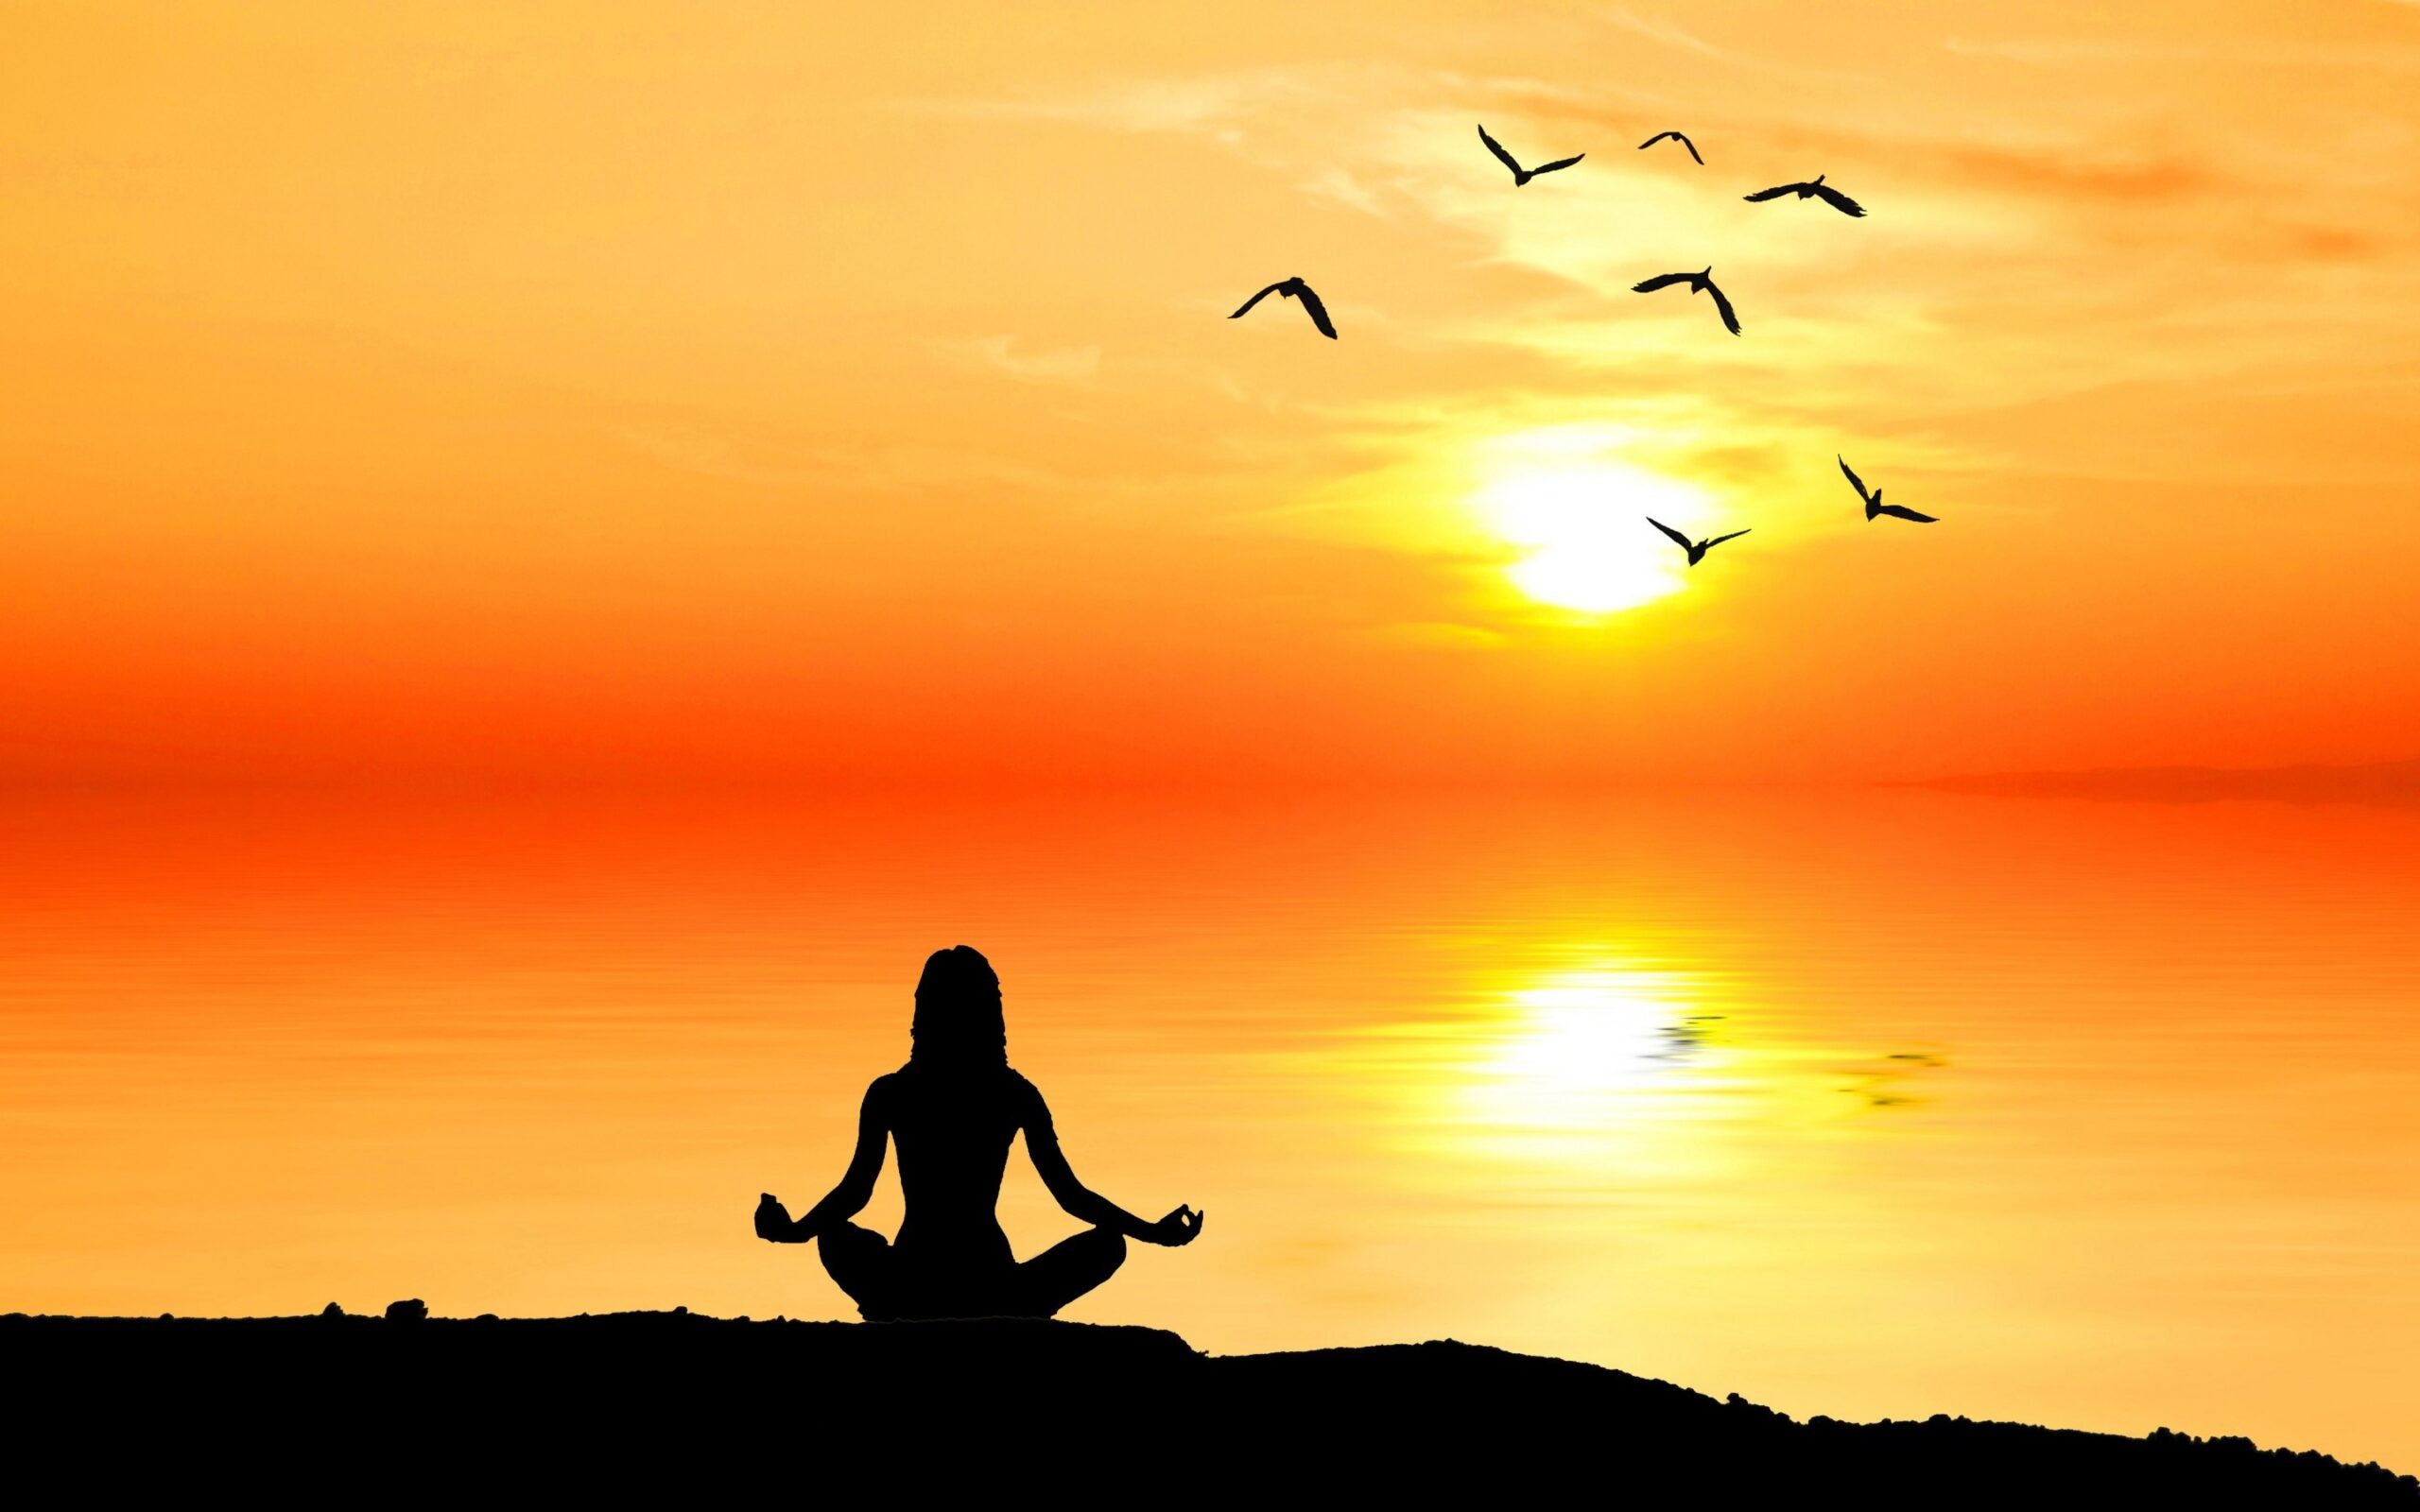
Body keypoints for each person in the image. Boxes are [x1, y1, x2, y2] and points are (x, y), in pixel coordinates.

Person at [754, 945, 1202, 1319]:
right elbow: (1071, 1196)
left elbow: (855, 1193)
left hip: (917, 1276)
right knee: (1108, 1244)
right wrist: (1149, 1232)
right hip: (992, 1281)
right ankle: (1004, 1314)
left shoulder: (895, 1092)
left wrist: (796, 1231)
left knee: (834, 1236)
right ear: (992, 1016)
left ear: (922, 1013)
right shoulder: (1011, 1092)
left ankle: (900, 1308)